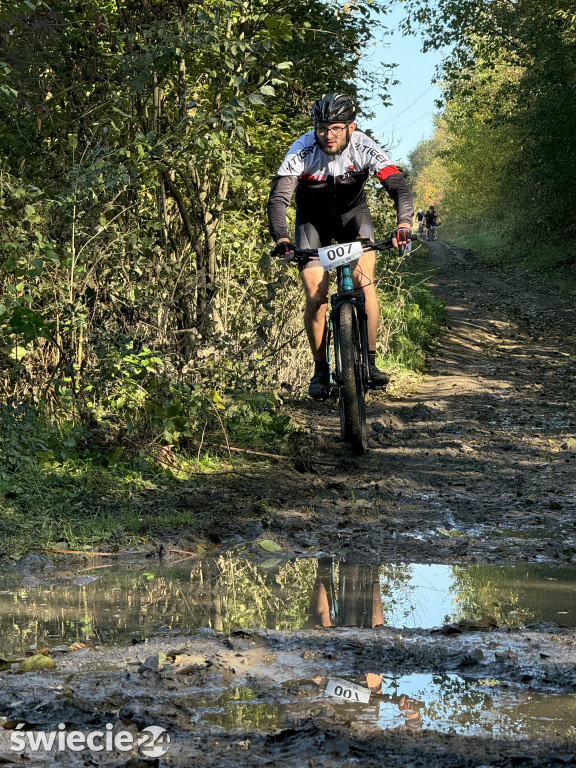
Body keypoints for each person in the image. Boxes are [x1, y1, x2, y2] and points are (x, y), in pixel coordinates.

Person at [266, 93, 414, 399]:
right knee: (316, 295)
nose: (328, 135)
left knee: (364, 283)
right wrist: (282, 238)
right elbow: (279, 199)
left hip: (353, 219)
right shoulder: (302, 149)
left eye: (336, 128)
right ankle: (320, 370)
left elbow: (399, 187)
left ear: (351, 126)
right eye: (322, 128)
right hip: (312, 224)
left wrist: (404, 224)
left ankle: (371, 363)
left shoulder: (364, 146)